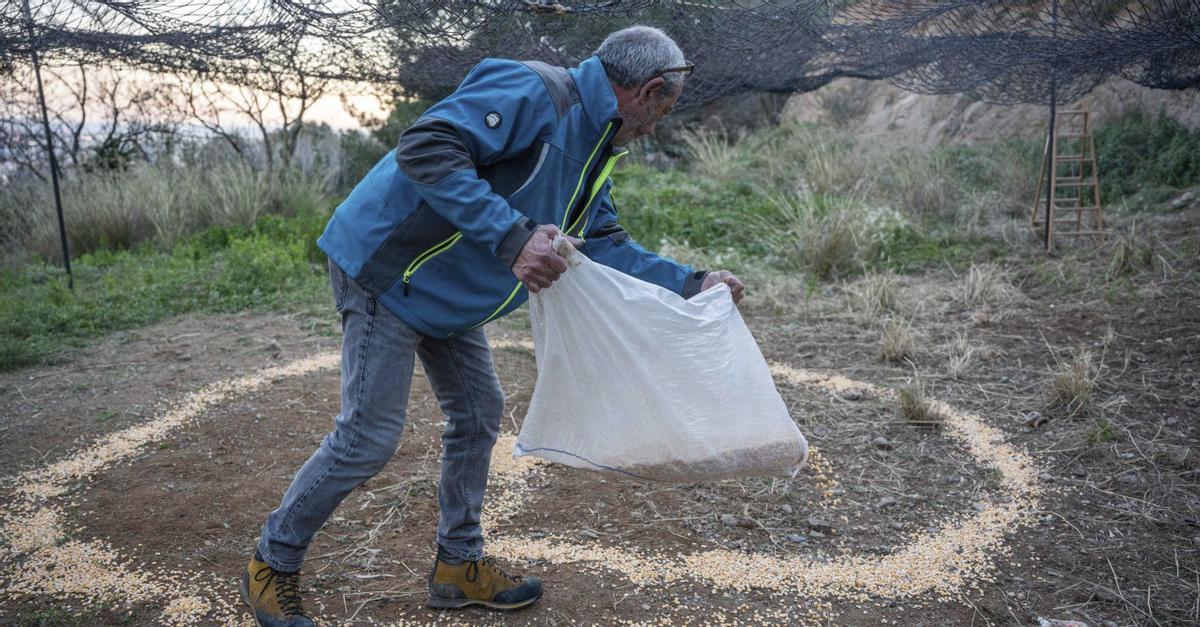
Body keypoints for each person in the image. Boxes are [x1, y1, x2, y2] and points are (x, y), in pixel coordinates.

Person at [240, 25, 745, 625]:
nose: (658, 124)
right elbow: (426, 147)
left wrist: (694, 282)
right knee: (369, 436)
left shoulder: (596, 145)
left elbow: (604, 241)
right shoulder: (536, 91)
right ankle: (273, 561)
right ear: (650, 89)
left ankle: (458, 566)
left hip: (447, 295)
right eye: (664, 108)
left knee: (479, 415)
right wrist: (512, 239)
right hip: (389, 272)